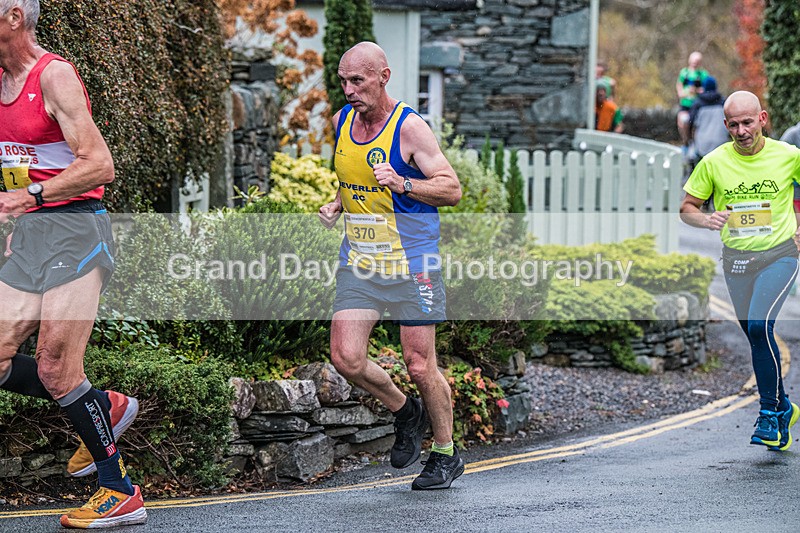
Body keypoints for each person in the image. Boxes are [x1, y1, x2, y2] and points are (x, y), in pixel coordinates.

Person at [0, 1, 145, 528]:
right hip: (34, 232)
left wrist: (30, 199)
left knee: (57, 367)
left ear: (14, 16)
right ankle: (103, 406)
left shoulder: (54, 75)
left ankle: (120, 489)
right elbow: (16, 159)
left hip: (76, 227)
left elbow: (99, 163)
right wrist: (21, 216)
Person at [318, 42, 463, 490]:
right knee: (346, 357)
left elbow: (452, 189)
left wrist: (403, 183)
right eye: (343, 81)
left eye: (357, 81)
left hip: (413, 265)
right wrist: (338, 203)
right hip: (360, 264)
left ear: (383, 76)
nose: (348, 90)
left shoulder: (410, 128)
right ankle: (406, 411)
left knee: (420, 365)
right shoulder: (343, 121)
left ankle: (445, 453)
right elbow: (355, 175)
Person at [680, 91, 800, 452]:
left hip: (780, 256)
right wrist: (705, 219)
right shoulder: (714, 162)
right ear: (726, 125)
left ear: (762, 119)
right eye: (733, 124)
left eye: (747, 122)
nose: (741, 130)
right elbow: (687, 207)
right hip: (737, 262)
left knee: (761, 325)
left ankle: (767, 414)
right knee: (755, 334)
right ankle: (784, 408)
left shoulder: (788, 155)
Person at [688, 76, 729, 163]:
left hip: (702, 145)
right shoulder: (723, 102)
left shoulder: (698, 103)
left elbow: (690, 122)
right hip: (721, 143)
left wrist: (689, 139)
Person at [676, 51, 709, 147]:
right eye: (693, 60)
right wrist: (682, 93)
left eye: (697, 61)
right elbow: (679, 86)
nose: (695, 62)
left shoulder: (703, 74)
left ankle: (695, 145)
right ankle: (686, 142)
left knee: (695, 126)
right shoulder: (684, 73)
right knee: (682, 123)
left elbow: (705, 89)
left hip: (697, 105)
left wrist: (696, 90)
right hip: (685, 104)